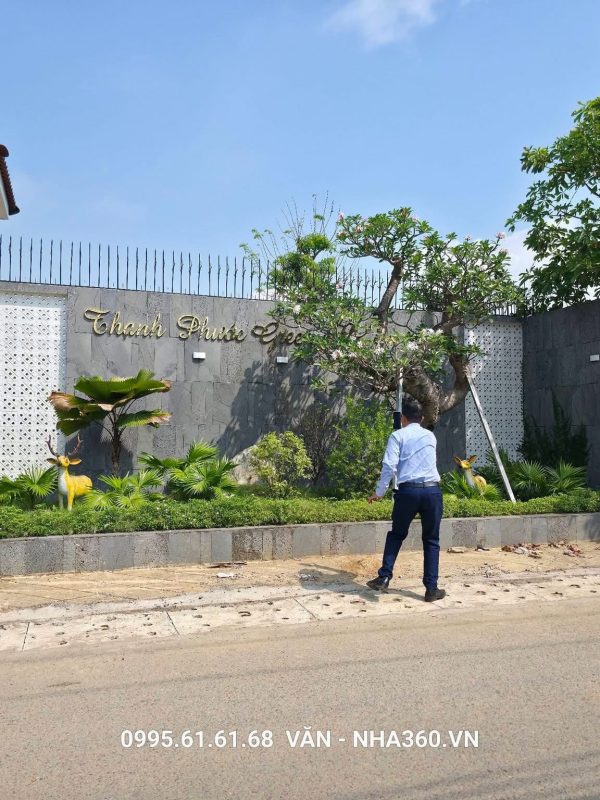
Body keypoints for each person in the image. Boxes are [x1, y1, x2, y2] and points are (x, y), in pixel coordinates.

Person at [366, 395, 446, 602]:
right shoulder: (430, 436)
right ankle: (431, 589)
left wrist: (379, 492)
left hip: (408, 492)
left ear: (403, 418)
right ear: (421, 418)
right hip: (432, 492)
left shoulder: (397, 436)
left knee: (397, 534)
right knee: (431, 540)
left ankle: (384, 577)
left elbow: (389, 466)